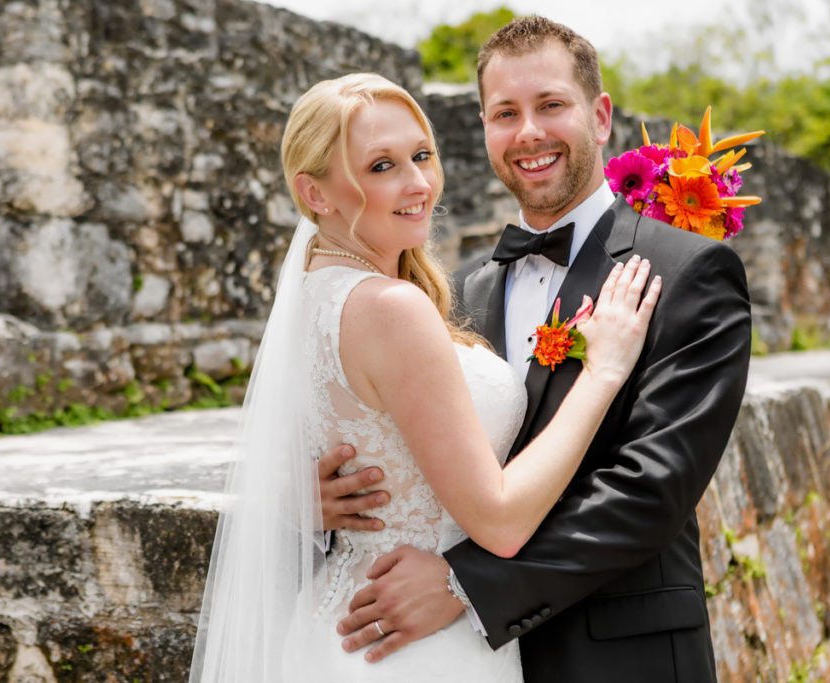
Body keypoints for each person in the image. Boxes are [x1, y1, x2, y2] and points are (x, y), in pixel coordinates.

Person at [188, 72, 660, 682]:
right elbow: (501, 519)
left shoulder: (312, 297)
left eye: (421, 155)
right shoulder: (391, 307)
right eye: (381, 166)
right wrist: (603, 371)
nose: (417, 184)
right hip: (416, 646)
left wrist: (295, 499)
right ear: (316, 192)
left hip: (340, 628)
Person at [328, 16, 752, 683]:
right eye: (505, 113)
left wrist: (464, 585)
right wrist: (328, 499)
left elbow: (652, 489)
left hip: (618, 654)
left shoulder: (689, 272)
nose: (528, 132)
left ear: (600, 114)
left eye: (551, 104)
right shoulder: (456, 291)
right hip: (461, 660)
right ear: (485, 129)